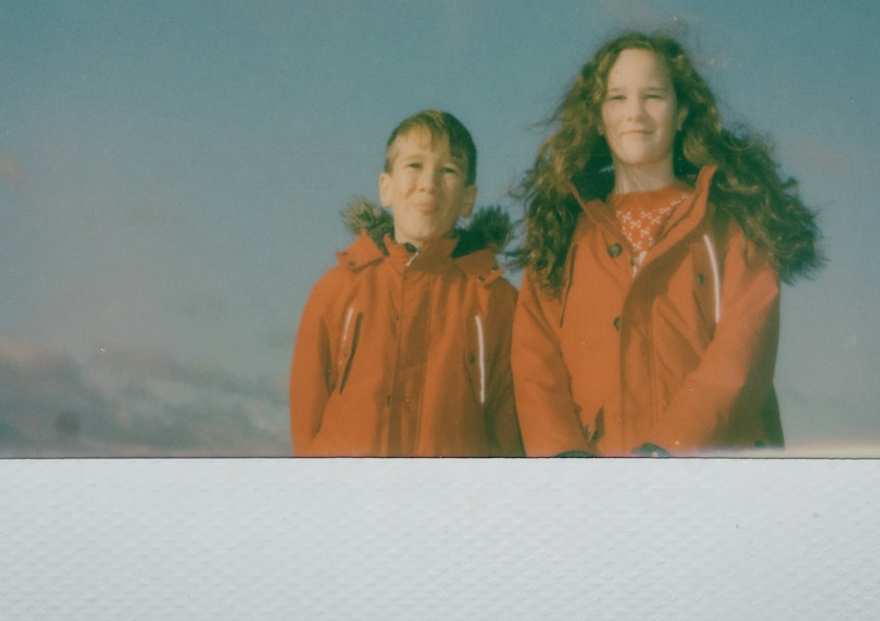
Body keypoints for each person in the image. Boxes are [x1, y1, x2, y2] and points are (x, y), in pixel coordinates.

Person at [511, 31, 821, 457]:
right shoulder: (564, 234)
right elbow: (535, 361)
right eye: (616, 98)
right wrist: (563, 456)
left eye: (653, 95)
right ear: (597, 118)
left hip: (707, 473)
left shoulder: (729, 227)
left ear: (681, 113)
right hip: (596, 485)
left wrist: (671, 447)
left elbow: (741, 353)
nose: (634, 112)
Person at [290, 109, 522, 456]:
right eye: (414, 165)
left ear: (467, 199)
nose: (428, 183)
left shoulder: (497, 301)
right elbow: (307, 419)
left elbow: (507, 431)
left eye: (449, 170)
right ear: (386, 187)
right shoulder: (337, 289)